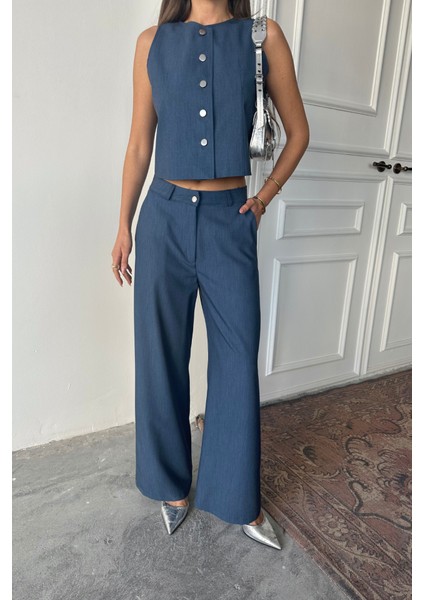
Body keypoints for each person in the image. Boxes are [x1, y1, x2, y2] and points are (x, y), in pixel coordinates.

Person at [111, 0, 309, 550]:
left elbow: (298, 133)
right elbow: (139, 144)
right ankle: (169, 487)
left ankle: (236, 496)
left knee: (236, 359)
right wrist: (123, 224)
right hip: (163, 218)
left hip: (230, 220)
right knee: (159, 355)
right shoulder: (152, 43)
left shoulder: (262, 38)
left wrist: (263, 199)